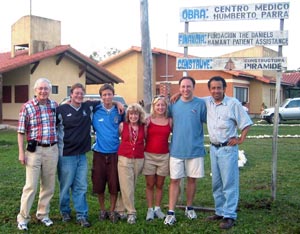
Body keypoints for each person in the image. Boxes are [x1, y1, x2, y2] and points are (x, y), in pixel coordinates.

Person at [204, 76, 252, 230]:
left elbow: (245, 123)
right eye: (213, 88)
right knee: (216, 183)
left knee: (229, 183)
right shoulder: (207, 102)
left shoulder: (233, 104)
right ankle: (219, 211)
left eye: (219, 87)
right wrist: (178, 94)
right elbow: (190, 96)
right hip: (213, 149)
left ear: (224, 89)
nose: (216, 90)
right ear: (210, 89)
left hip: (228, 149)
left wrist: (240, 139)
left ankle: (230, 215)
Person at [17, 78, 59, 231]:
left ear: (49, 90)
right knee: (31, 186)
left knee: (48, 186)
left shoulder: (54, 106)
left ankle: (43, 214)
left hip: (52, 150)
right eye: (40, 88)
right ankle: (23, 218)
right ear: (35, 90)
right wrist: (21, 152)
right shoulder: (27, 107)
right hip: (33, 152)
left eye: (46, 89)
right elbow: (21, 132)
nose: (43, 91)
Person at [164, 76, 207, 226]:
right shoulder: (173, 105)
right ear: (179, 88)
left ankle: (189, 207)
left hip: (195, 149)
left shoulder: (201, 104)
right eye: (183, 87)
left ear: (193, 87)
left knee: (191, 180)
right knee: (174, 180)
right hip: (176, 150)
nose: (185, 89)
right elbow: (161, 114)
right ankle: (171, 212)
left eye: (188, 86)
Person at [56, 83, 97, 228]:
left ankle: (82, 215)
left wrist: (117, 102)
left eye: (81, 93)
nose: (79, 95)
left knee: (81, 186)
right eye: (76, 93)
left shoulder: (88, 107)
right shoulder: (60, 110)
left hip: (82, 155)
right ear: (71, 94)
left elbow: (106, 101)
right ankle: (65, 211)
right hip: (66, 155)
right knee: (66, 185)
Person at [91, 83, 124, 223]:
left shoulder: (120, 111)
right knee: (99, 184)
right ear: (101, 97)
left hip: (115, 153)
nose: (107, 97)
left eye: (110, 94)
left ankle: (112, 210)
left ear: (113, 95)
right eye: (104, 95)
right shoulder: (95, 110)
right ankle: (102, 210)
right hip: (99, 153)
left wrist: (118, 103)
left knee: (113, 184)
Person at [143, 95, 172, 221]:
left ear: (166, 107)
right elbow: (143, 137)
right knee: (150, 184)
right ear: (154, 107)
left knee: (160, 184)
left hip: (164, 156)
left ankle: (157, 208)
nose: (160, 107)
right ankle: (150, 210)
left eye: (163, 105)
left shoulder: (170, 121)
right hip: (149, 155)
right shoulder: (148, 120)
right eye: (158, 105)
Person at [117, 103, 146, 224]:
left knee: (130, 185)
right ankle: (131, 212)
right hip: (124, 157)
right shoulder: (122, 126)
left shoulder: (144, 127)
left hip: (138, 158)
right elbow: (118, 136)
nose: (133, 116)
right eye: (131, 114)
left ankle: (120, 209)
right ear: (128, 115)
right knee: (126, 184)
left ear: (140, 115)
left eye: (136, 114)